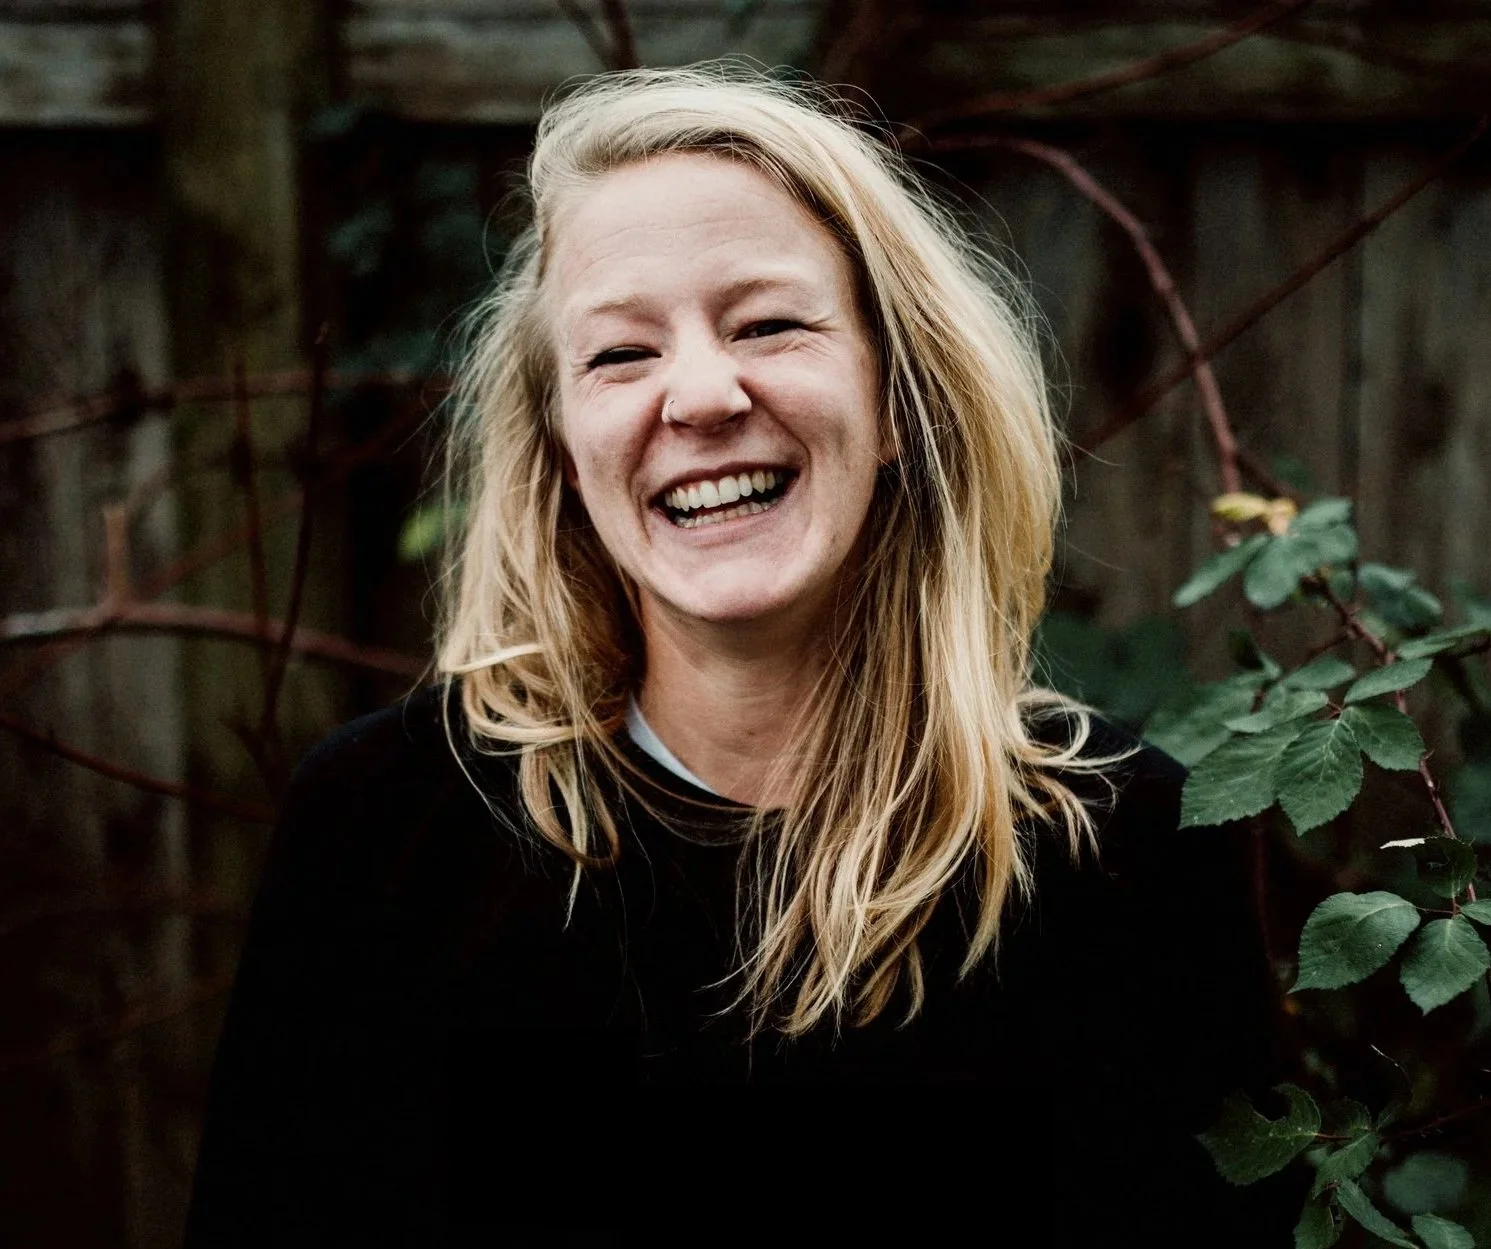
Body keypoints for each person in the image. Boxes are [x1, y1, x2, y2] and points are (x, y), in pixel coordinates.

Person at [185, 65, 1296, 1246]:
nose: (702, 396)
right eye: (619, 355)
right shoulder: (387, 828)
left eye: (768, 324)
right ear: (565, 449)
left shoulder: (1119, 853)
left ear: (898, 401)